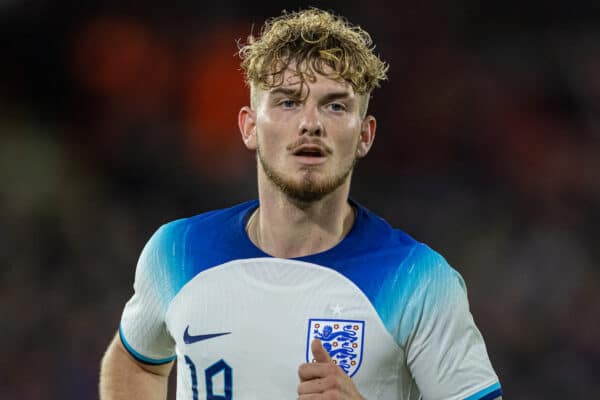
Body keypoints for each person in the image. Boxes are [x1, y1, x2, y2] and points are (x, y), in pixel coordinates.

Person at [99, 8, 503, 400]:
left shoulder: (419, 281)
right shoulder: (176, 251)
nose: (311, 123)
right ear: (249, 127)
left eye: (335, 105)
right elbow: (138, 363)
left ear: (364, 135)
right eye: (288, 102)